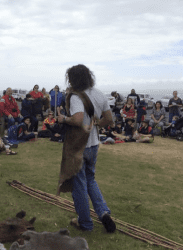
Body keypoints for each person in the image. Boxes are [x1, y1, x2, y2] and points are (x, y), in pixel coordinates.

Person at [56, 64, 116, 233]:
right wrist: (96, 124)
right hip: (94, 144)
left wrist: (63, 119)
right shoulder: (98, 94)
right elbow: (109, 119)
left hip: (78, 147)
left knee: (79, 185)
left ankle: (85, 223)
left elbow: (77, 119)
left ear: (73, 79)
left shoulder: (76, 97)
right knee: (90, 179)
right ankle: (104, 213)